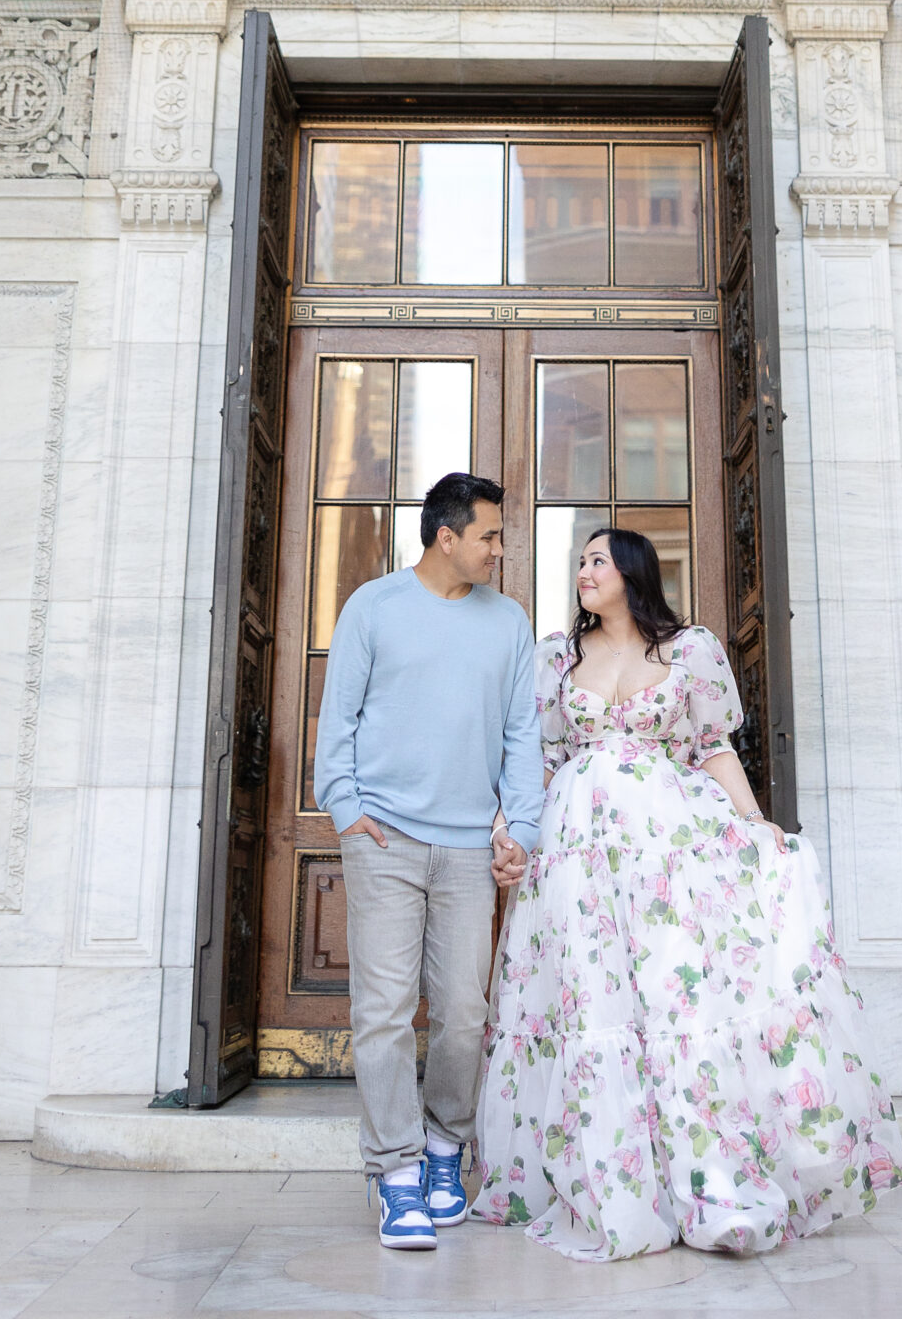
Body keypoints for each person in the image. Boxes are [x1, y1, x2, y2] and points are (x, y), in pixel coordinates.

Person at [472, 525, 902, 1261]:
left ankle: (706, 1180)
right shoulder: (557, 656)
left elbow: (712, 748)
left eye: (597, 561)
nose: (583, 571)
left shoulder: (688, 651)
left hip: (666, 850)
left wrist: (755, 822)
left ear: (632, 573)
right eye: (580, 561)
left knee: (675, 998)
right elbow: (541, 758)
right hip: (578, 857)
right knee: (589, 1000)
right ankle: (606, 1183)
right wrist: (505, 830)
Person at [314, 472, 542, 1253]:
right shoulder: (372, 607)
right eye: (489, 535)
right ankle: (395, 1173)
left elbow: (521, 737)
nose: (498, 548)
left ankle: (446, 1149)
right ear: (446, 536)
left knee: (463, 1016)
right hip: (384, 841)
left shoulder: (507, 622)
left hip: (470, 849)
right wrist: (345, 809)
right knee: (380, 1015)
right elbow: (337, 715)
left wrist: (524, 829)